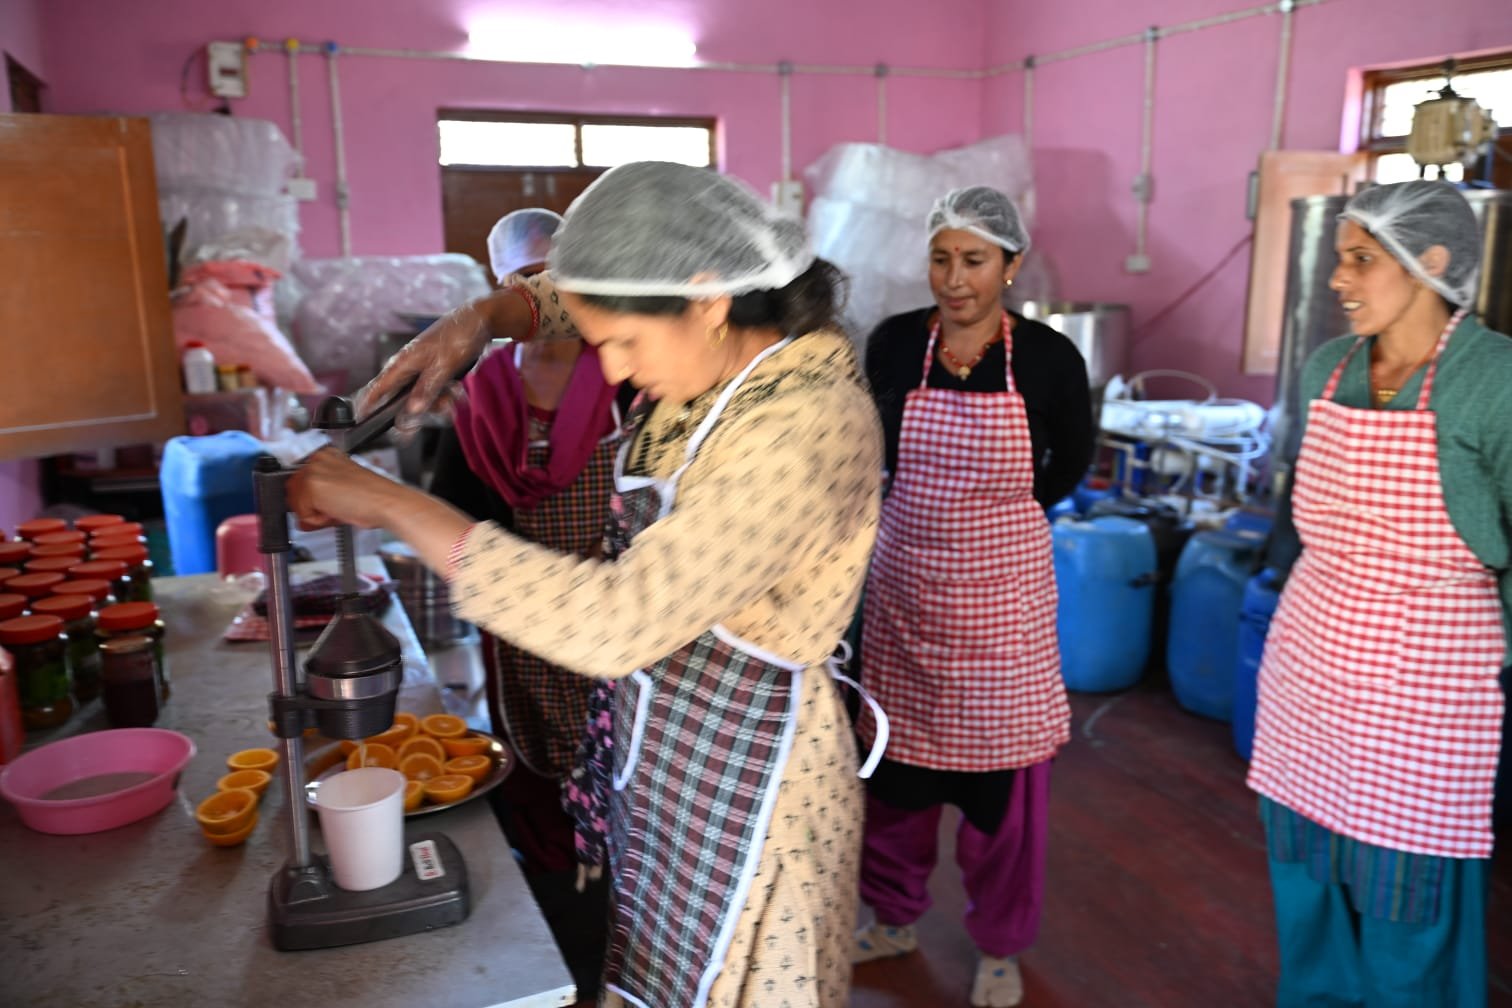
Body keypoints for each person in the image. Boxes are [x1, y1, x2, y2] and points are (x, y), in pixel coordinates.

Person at [288, 160, 884, 1008]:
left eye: (623, 344)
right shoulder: (715, 352)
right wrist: (480, 318)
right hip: (673, 758)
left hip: (761, 792)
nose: (608, 372)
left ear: (706, 296)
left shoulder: (804, 424)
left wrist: (391, 504)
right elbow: (582, 299)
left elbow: (619, 620)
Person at [1250, 179, 1512, 1008]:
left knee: (1410, 909)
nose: (1338, 279)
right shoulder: (1328, 369)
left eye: (1362, 259)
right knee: (1308, 885)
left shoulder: (1495, 380)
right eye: (1340, 258)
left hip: (1426, 693)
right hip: (1310, 673)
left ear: (1430, 261)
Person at [851, 185, 1092, 1008]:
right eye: (941, 259)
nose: (955, 279)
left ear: (1011, 265)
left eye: (975, 261)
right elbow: (869, 450)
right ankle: (893, 917)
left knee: (1004, 800)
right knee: (897, 785)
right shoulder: (893, 345)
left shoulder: (1049, 358)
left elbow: (1068, 465)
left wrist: (993, 525)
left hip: (1003, 605)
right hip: (907, 593)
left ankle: (999, 946)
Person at [428, 207, 634, 876]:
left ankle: (617, 867)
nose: (542, 305)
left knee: (619, 747)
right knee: (532, 746)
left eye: (556, 283)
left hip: (617, 607)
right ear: (501, 290)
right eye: (524, 286)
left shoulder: (629, 376)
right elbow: (453, 509)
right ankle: (551, 868)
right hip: (519, 614)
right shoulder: (480, 389)